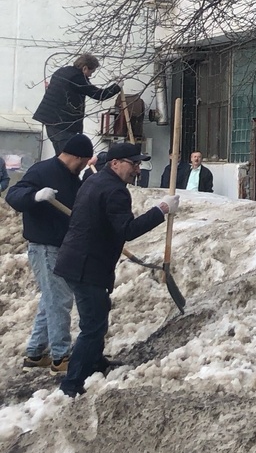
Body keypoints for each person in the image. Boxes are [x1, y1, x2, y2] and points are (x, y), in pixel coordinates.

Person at [54, 142, 178, 397]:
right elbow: (128, 230)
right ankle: (72, 384)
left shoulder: (94, 181)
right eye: (133, 164)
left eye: (138, 163)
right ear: (115, 163)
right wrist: (161, 210)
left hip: (77, 261)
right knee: (93, 326)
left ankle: (95, 362)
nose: (137, 169)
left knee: (98, 314)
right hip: (87, 266)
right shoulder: (115, 191)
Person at [6, 134, 94, 374]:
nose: (85, 166)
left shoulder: (72, 178)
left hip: (62, 245)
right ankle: (61, 356)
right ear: (75, 156)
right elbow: (13, 196)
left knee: (51, 300)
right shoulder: (42, 171)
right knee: (59, 301)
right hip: (44, 246)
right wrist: (35, 196)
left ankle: (35, 353)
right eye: (84, 161)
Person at [32, 54, 122, 153]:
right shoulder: (77, 79)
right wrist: (117, 86)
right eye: (91, 72)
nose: (90, 76)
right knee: (68, 157)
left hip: (50, 122)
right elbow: (99, 95)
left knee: (60, 157)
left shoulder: (61, 71)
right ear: (85, 68)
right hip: (64, 124)